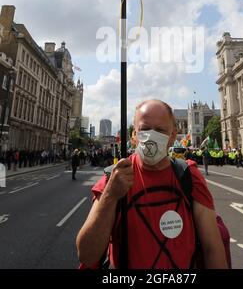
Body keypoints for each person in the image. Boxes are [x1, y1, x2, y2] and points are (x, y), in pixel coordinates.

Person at [76, 99, 228, 269]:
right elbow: (87, 255)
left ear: (172, 136)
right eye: (145, 129)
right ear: (134, 135)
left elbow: (212, 249)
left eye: (160, 130)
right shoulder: (113, 178)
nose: (152, 135)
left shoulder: (189, 177)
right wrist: (110, 195)